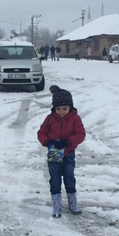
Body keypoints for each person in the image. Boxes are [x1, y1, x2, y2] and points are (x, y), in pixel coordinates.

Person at [37, 85, 86, 218]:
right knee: (55, 180)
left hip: (68, 154)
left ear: (70, 107)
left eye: (64, 108)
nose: (62, 112)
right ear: (54, 109)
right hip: (54, 154)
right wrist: (47, 142)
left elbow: (81, 134)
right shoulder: (50, 119)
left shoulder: (75, 118)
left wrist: (67, 141)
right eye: (58, 109)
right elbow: (41, 133)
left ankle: (73, 204)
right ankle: (57, 206)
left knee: (69, 178)